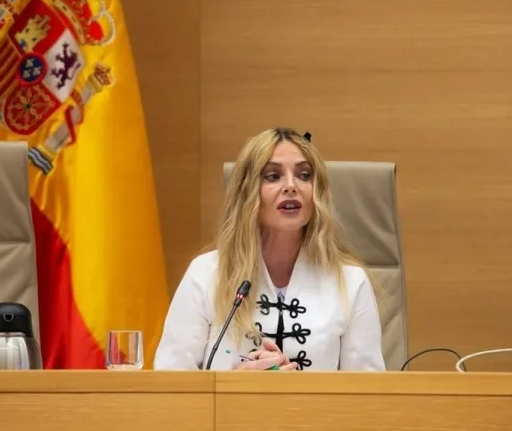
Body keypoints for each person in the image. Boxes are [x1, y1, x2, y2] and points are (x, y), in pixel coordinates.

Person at [153, 127, 385, 371]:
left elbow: (367, 389)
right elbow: (170, 381)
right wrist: (236, 387)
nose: (291, 186)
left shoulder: (350, 281)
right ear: (247, 191)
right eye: (273, 176)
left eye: (304, 175)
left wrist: (297, 390)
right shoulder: (206, 273)